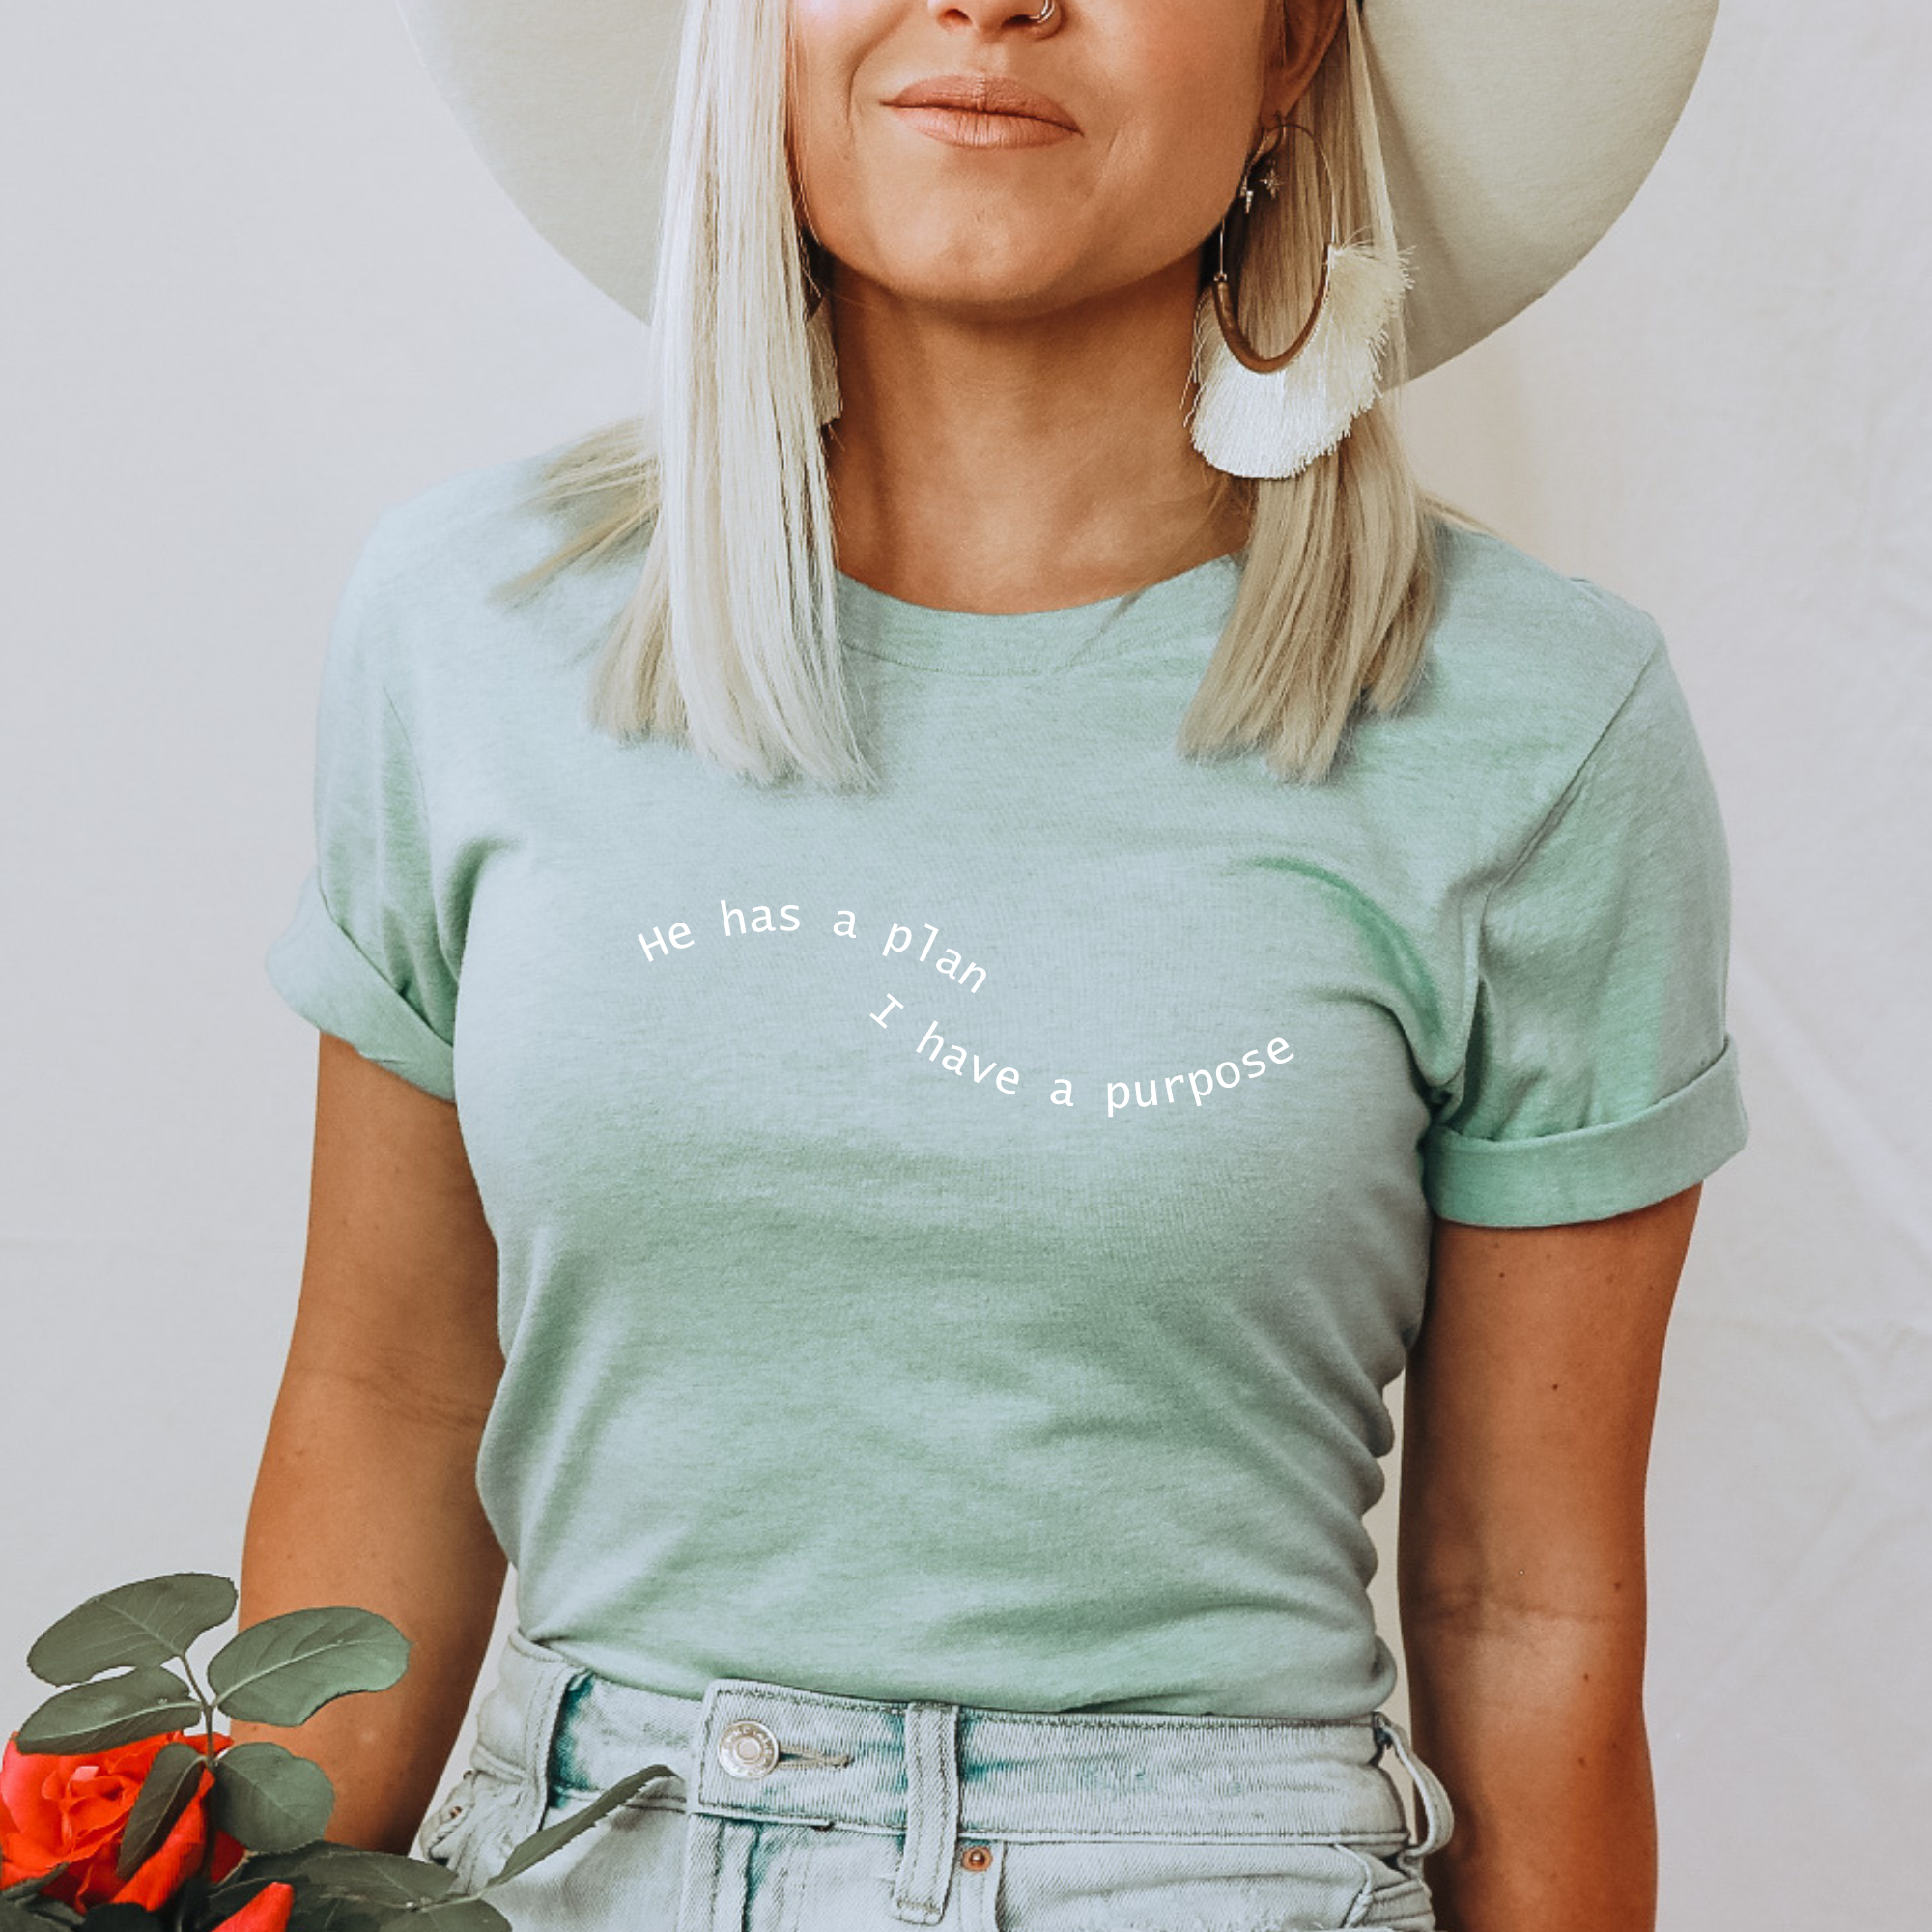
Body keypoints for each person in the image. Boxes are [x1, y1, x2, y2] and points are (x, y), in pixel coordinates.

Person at [236, 1, 1747, 1928]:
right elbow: (389, 1400)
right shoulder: (475, 628)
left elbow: (1521, 1602)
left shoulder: (1536, 722)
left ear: (1291, 48)